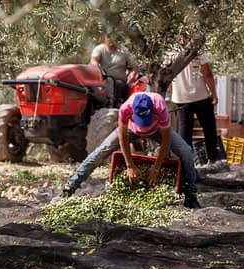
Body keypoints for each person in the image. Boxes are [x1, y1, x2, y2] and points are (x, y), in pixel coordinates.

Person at [61, 92, 201, 209]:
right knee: (102, 150)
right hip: (131, 130)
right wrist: (130, 165)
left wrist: (157, 168)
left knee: (186, 151)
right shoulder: (125, 109)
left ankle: (190, 194)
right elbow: (122, 137)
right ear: (133, 112)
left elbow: (166, 140)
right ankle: (71, 185)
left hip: (157, 130)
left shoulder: (160, 107)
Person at [170, 50, 221, 166]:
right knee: (209, 127)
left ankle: (186, 164)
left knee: (185, 131)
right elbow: (207, 73)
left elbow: (167, 75)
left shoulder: (170, 52)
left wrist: (174, 92)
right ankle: (213, 159)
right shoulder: (197, 50)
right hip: (200, 95)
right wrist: (214, 93)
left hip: (180, 98)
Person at [91, 33, 139, 105]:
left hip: (119, 81)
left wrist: (132, 74)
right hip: (104, 80)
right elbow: (94, 60)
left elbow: (134, 66)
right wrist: (97, 66)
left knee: (118, 84)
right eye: (108, 37)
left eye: (113, 37)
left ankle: (114, 106)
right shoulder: (99, 49)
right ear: (105, 38)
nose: (111, 40)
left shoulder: (124, 51)